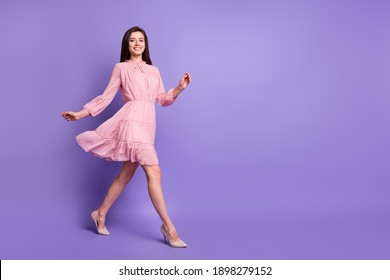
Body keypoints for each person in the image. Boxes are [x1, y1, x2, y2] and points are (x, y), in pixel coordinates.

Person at [61, 26, 192, 248]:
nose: (137, 44)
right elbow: (105, 97)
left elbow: (161, 99)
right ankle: (170, 228)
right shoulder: (120, 68)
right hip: (130, 121)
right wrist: (81, 113)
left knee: (125, 175)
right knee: (155, 171)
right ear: (127, 45)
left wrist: (179, 88)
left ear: (145, 44)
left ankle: (100, 214)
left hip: (148, 124)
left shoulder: (154, 71)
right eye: (132, 41)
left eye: (141, 40)